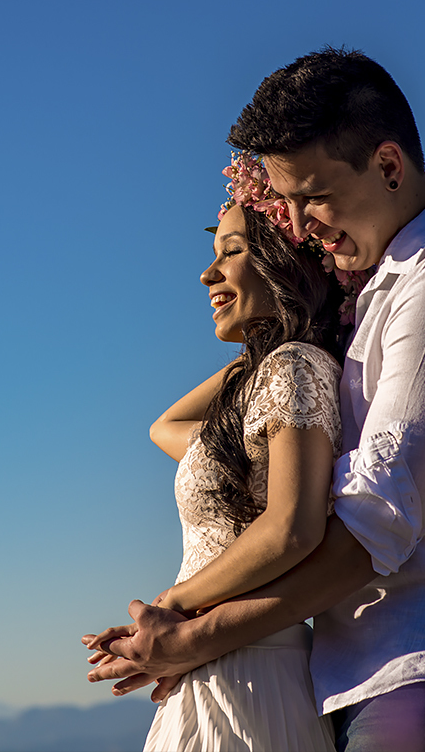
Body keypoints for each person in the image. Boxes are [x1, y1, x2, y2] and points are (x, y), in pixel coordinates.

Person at [84, 48, 425, 752]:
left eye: (312, 195)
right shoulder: (378, 301)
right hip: (372, 678)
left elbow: (370, 526)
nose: (298, 222)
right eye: (283, 200)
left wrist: (187, 631)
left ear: (388, 165)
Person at [86, 154, 361, 751]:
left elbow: (292, 527)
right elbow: (168, 427)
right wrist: (265, 345)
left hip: (247, 673)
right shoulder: (273, 373)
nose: (209, 274)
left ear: (285, 260)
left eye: (232, 250)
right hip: (219, 666)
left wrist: (170, 610)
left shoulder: (295, 368)